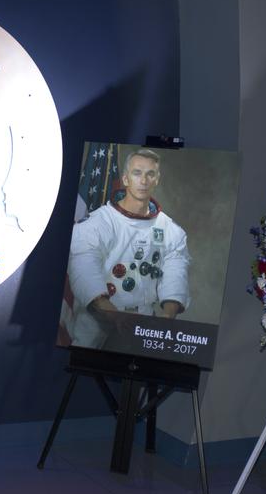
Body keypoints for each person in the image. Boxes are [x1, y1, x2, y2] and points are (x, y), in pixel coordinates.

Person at [65, 148, 190, 348]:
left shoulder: (171, 231)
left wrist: (166, 318)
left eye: (150, 174)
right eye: (137, 173)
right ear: (125, 179)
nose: (144, 180)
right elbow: (84, 270)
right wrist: (114, 315)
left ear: (157, 180)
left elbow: (175, 275)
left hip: (144, 320)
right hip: (99, 318)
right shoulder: (99, 222)